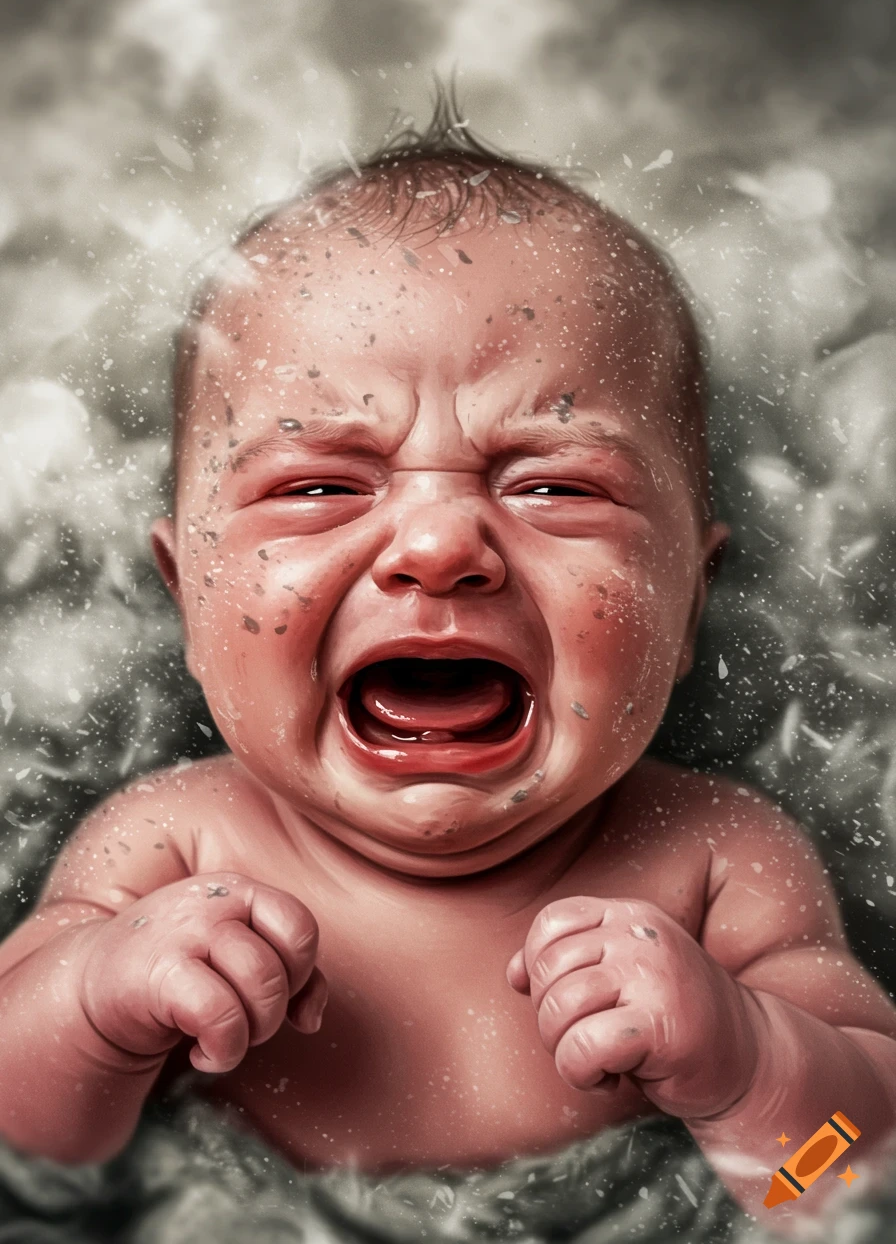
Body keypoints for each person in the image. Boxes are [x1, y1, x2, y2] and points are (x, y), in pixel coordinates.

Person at [1, 97, 895, 1236]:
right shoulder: (168, 847)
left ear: (687, 606)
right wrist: (91, 1004)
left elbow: (831, 1176)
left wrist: (753, 1065)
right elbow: (30, 1150)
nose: (436, 547)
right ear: (187, 596)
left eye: (553, 484)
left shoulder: (718, 866)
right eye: (321, 483)